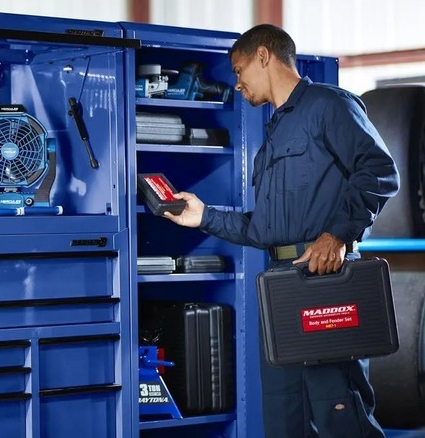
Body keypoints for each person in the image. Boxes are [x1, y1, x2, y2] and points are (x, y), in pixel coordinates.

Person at [162, 24, 399, 437]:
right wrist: (205, 217)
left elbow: (380, 171)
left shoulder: (330, 106)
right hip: (282, 286)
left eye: (239, 70)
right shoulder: (274, 133)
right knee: (284, 415)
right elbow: (266, 230)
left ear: (264, 56)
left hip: (327, 279)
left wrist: (338, 235)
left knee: (337, 408)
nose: (237, 84)